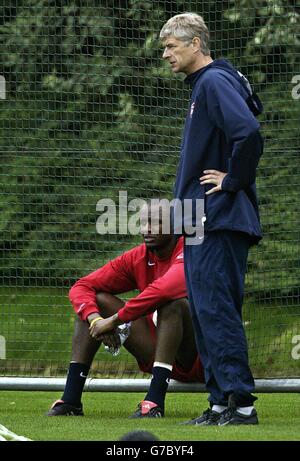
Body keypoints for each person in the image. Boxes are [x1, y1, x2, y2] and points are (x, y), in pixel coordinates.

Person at [159, 13, 264, 425]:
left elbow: (249, 133)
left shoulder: (215, 81)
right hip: (201, 219)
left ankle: (242, 406)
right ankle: (219, 404)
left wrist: (234, 179)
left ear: (196, 44)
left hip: (218, 216)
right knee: (203, 311)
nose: (166, 54)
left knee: (217, 310)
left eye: (171, 45)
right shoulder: (205, 85)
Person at [47, 201, 204, 418]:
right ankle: (71, 400)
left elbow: (164, 289)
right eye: (143, 222)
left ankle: (154, 402)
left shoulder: (191, 249)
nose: (147, 228)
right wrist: (95, 321)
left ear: (176, 225)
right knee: (95, 301)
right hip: (157, 352)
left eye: (157, 222)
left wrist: (113, 321)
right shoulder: (138, 257)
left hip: (198, 358)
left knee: (173, 303)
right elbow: (81, 286)